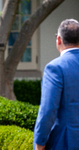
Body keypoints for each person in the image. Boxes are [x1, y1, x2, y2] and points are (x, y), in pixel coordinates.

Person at [33, 19, 79, 150]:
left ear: (59, 39)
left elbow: (48, 110)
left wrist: (39, 143)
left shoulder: (55, 67)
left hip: (65, 141)